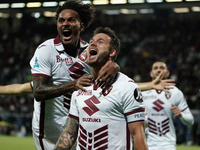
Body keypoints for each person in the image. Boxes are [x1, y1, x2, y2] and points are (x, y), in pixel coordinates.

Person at [29, 1, 120, 150]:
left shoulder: (89, 51)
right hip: (48, 135)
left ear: (81, 26)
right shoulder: (46, 50)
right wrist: (72, 84)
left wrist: (114, 66)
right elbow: (38, 92)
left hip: (76, 132)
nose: (65, 23)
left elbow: (109, 62)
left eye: (71, 20)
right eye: (61, 20)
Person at [54, 27, 148, 150]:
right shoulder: (80, 88)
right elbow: (70, 133)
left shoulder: (127, 87)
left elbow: (138, 135)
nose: (92, 43)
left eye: (100, 41)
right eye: (92, 41)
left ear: (112, 52)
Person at [142, 61, 194, 150]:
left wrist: (181, 115)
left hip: (168, 145)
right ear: (151, 73)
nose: (158, 70)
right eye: (155, 68)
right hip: (148, 144)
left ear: (168, 73)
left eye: (162, 68)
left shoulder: (175, 92)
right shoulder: (143, 93)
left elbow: (191, 121)